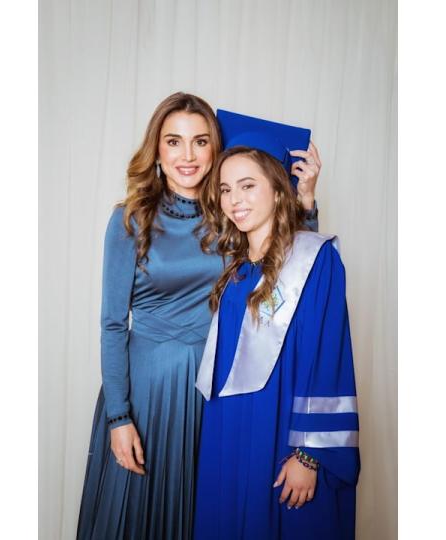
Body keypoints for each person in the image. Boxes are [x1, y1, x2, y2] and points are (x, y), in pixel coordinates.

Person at [76, 93, 323, 540]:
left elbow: (285, 274)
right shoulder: (130, 220)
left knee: (202, 518)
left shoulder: (230, 217)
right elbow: (112, 324)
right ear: (157, 149)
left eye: (200, 142)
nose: (187, 156)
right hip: (146, 394)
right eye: (174, 142)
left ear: (216, 150)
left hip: (213, 392)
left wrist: (305, 203)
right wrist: (118, 417)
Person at [193, 141, 359, 539]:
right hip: (229, 432)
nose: (235, 200)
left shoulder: (317, 261)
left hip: (282, 432)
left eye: (248, 186)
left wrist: (310, 454)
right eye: (226, 189)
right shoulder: (236, 272)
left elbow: (327, 355)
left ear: (278, 189)